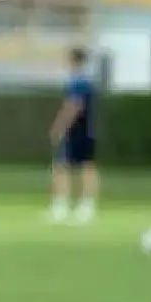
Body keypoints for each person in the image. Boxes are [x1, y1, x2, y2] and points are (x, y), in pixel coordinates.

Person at [47, 46, 99, 224]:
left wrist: (60, 126)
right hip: (88, 129)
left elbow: (74, 105)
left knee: (62, 166)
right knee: (85, 166)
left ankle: (62, 206)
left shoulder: (78, 81)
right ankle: (85, 205)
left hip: (76, 130)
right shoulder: (87, 81)